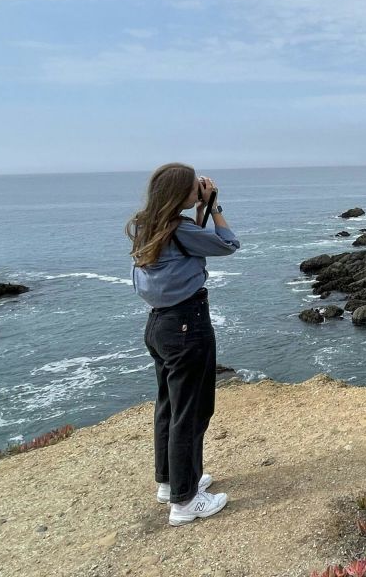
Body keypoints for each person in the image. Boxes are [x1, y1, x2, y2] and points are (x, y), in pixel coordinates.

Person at [126, 163, 240, 526]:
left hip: (160, 324)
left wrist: (198, 212)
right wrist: (215, 207)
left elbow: (188, 242)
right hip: (187, 325)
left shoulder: (147, 225)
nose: (200, 189)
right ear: (180, 193)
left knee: (169, 406)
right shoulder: (181, 228)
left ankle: (171, 482)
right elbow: (228, 244)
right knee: (191, 412)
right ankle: (185, 502)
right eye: (195, 186)